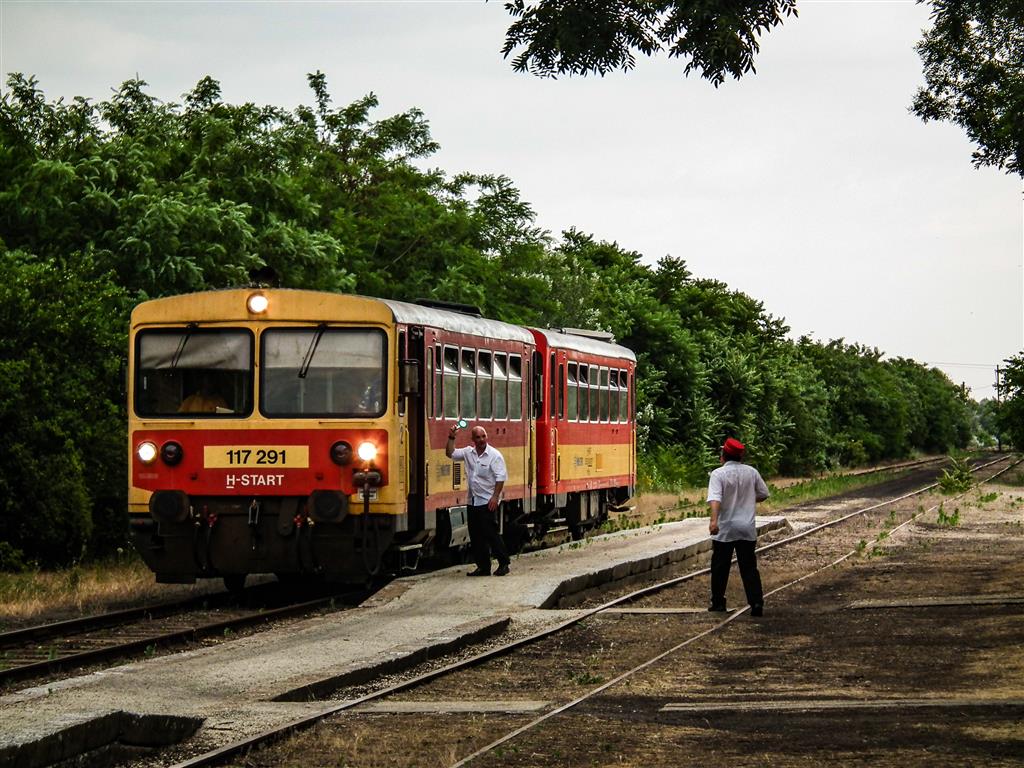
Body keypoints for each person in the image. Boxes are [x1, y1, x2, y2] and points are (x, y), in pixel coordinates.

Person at [707, 437, 769, 616]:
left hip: (725, 528)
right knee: (749, 567)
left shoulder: (718, 474)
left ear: (723, 456)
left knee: (720, 566)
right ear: (740, 457)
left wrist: (713, 521)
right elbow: (764, 493)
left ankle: (718, 602)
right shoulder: (751, 472)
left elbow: (716, 499)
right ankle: (756, 602)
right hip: (746, 527)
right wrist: (749, 499)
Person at [446, 424, 511, 576]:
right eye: (478, 437)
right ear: (473, 439)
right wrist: (451, 437)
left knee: (491, 533)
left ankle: (504, 563)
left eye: (483, 436)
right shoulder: (469, 453)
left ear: (486, 437)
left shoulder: (494, 455)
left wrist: (495, 497)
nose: (481, 440)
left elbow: (500, 478)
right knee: (476, 536)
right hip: (473, 500)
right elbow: (450, 454)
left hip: (487, 500)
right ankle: (483, 567)